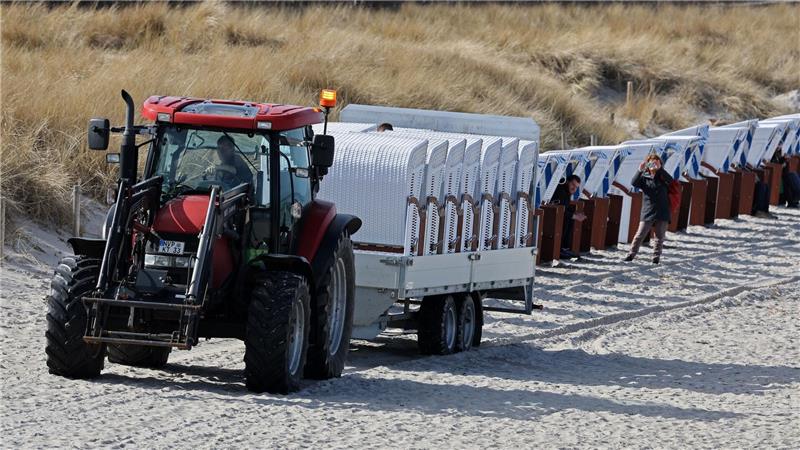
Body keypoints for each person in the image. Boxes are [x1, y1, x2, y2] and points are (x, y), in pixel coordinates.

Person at [624, 154, 673, 264]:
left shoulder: (663, 176)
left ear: (660, 164)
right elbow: (634, 183)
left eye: (656, 162)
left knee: (659, 237)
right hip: (648, 210)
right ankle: (631, 255)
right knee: (640, 235)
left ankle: (656, 258)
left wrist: (659, 169)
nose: (653, 164)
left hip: (662, 210)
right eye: (651, 162)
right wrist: (639, 170)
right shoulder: (644, 177)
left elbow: (671, 181)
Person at [551, 174, 587, 259]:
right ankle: (561, 249)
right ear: (567, 182)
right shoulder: (561, 191)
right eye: (573, 185)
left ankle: (564, 248)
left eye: (576, 187)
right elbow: (560, 210)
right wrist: (574, 216)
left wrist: (575, 215)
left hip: (557, 215)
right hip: (552, 217)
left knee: (571, 217)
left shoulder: (566, 192)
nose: (574, 188)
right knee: (569, 218)